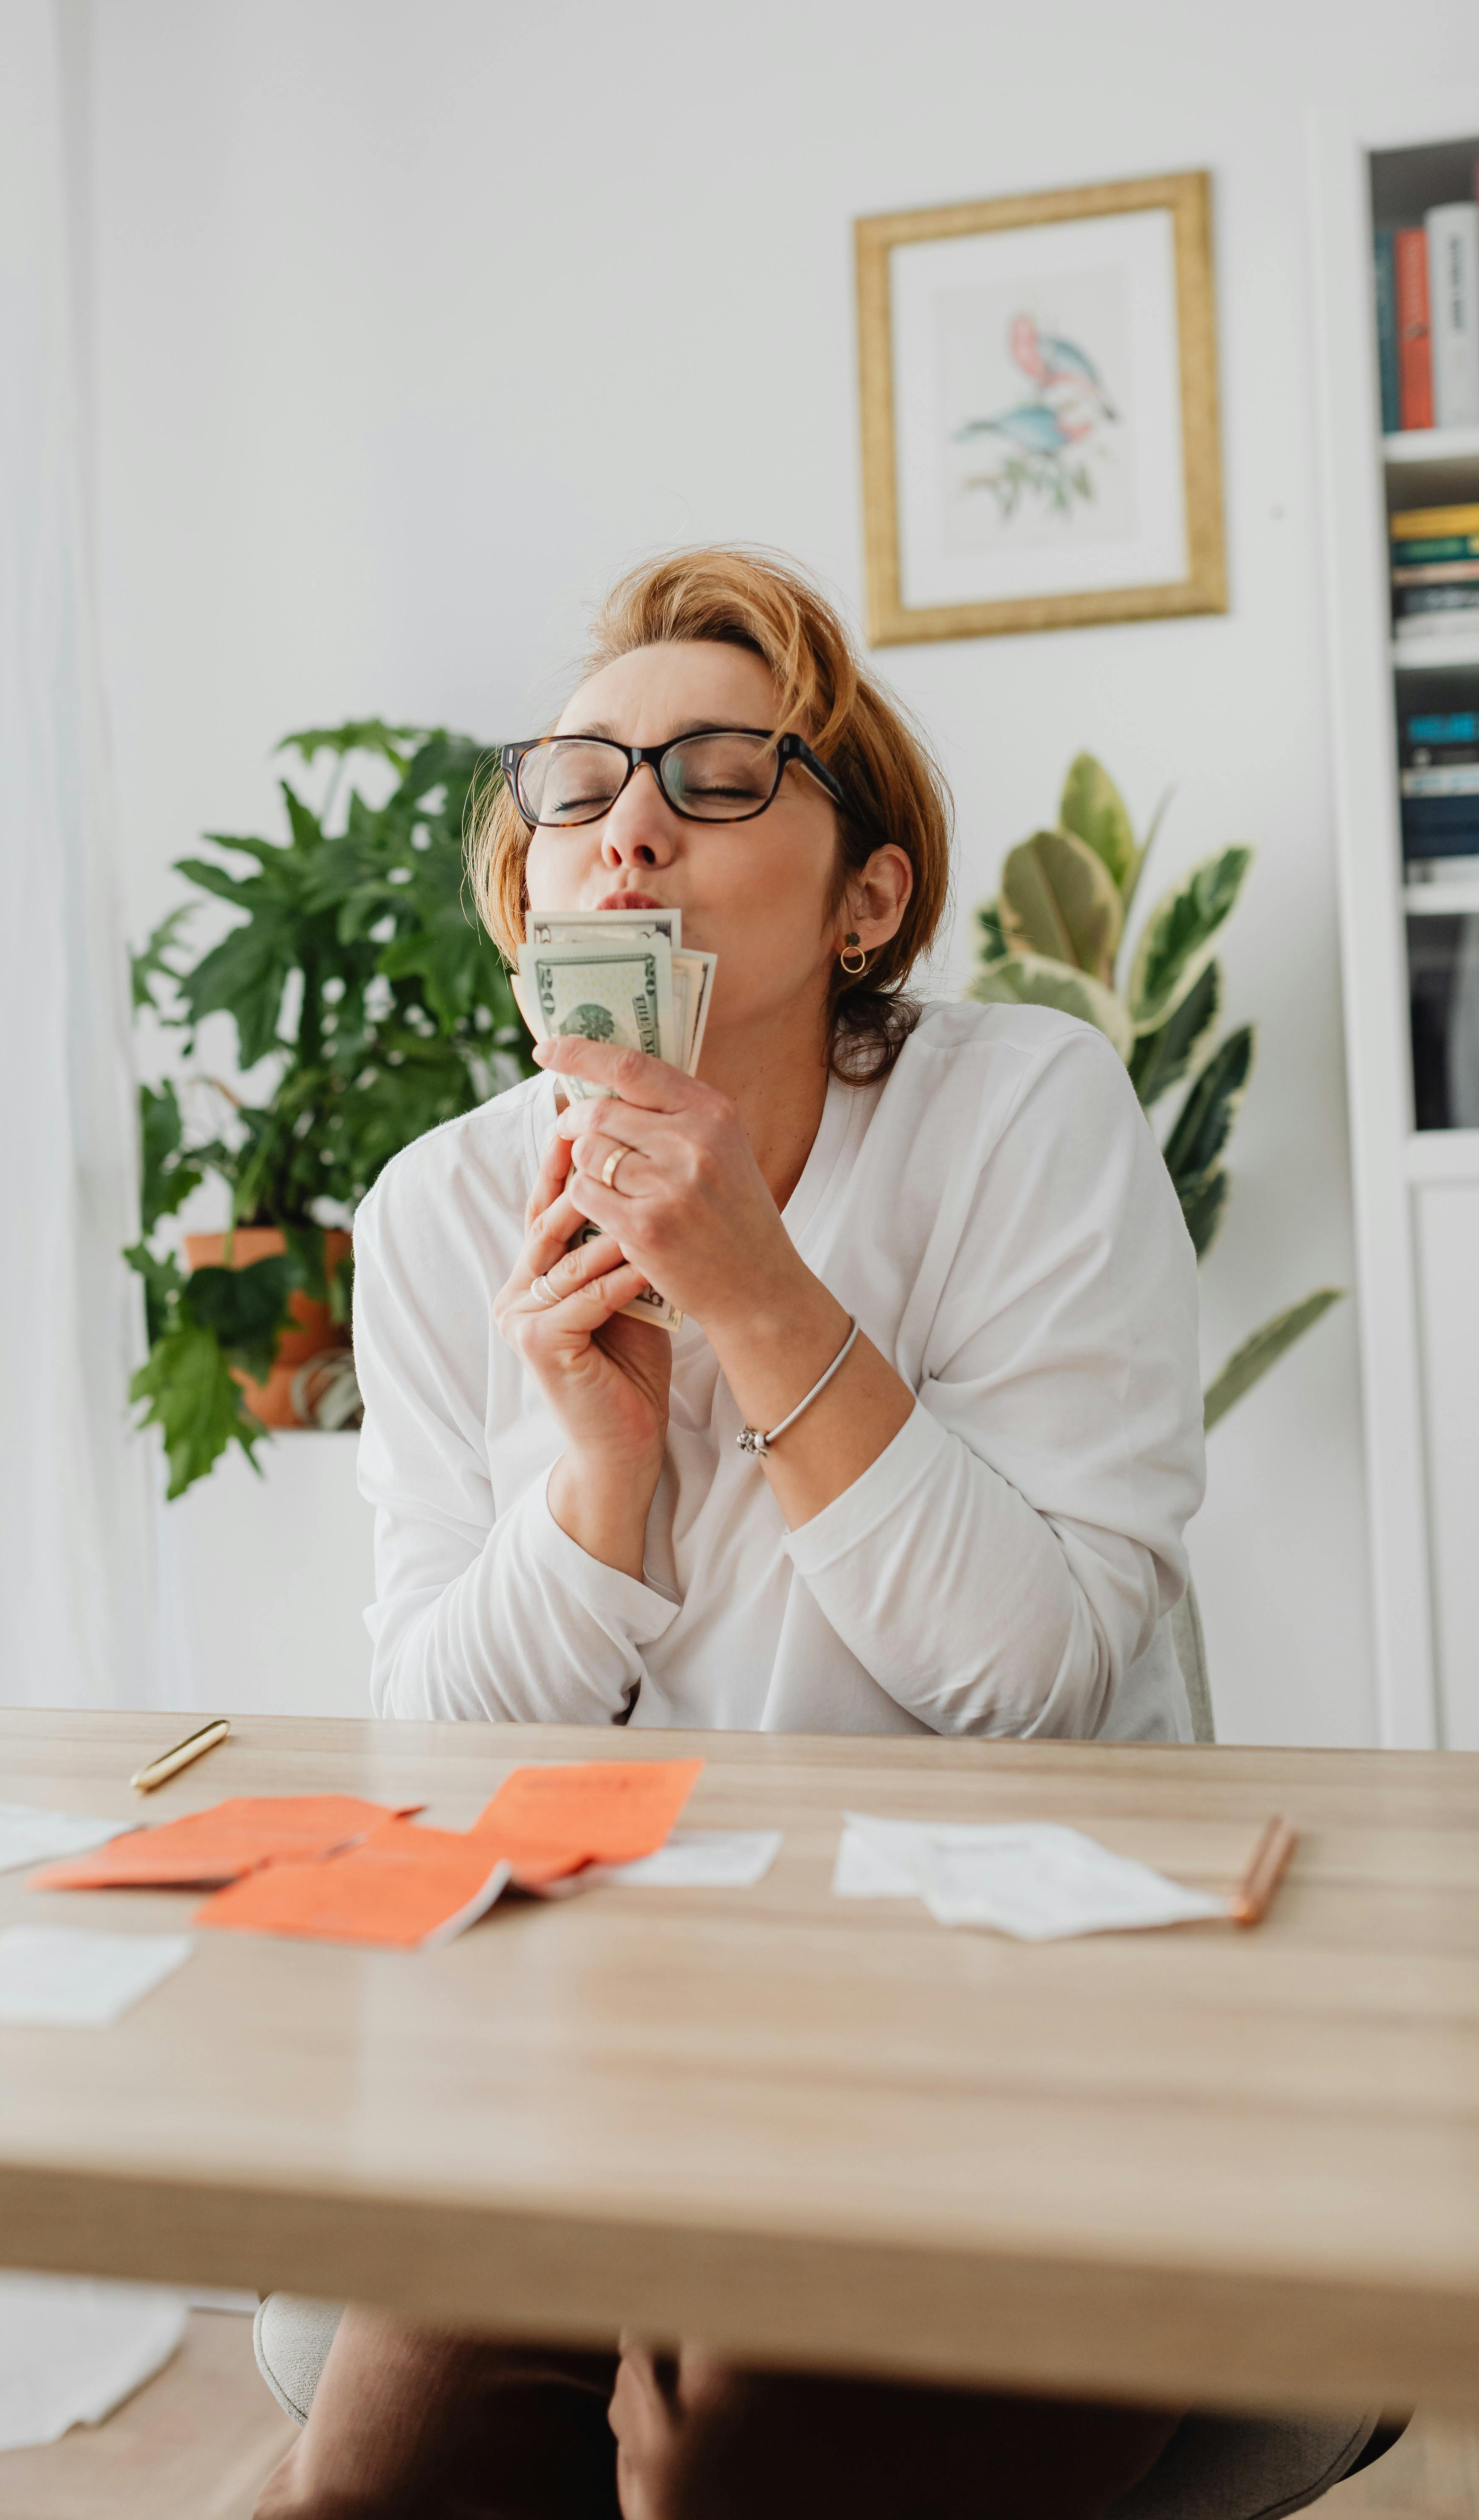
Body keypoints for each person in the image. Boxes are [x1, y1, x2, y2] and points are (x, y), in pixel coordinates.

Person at [258, 547, 1198, 2520]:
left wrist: (762, 1301)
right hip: (602, 2026)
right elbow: (439, 1744)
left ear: (869, 900)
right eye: (582, 785)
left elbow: (1036, 1690)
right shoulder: (443, 1210)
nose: (629, 830)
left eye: (715, 778)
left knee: (734, 2461)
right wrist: (596, 1477)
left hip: (1006, 2010)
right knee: (379, 2484)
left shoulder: (1024, 1116)